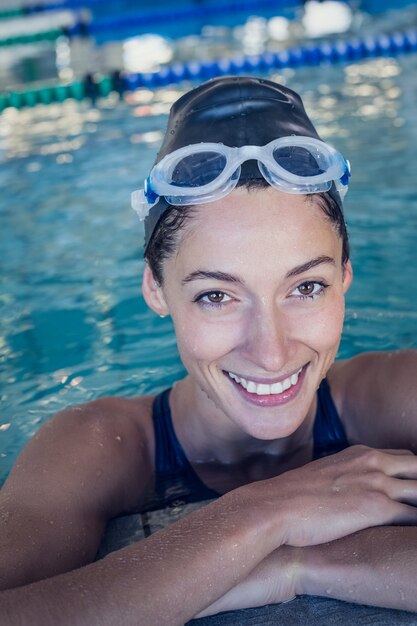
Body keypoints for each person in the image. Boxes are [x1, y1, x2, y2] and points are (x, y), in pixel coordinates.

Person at [1, 75, 417, 626]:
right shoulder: (100, 447)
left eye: (306, 287)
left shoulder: (400, 394)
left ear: (344, 277)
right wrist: (263, 512)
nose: (271, 353)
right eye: (216, 296)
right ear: (155, 289)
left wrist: (296, 564)